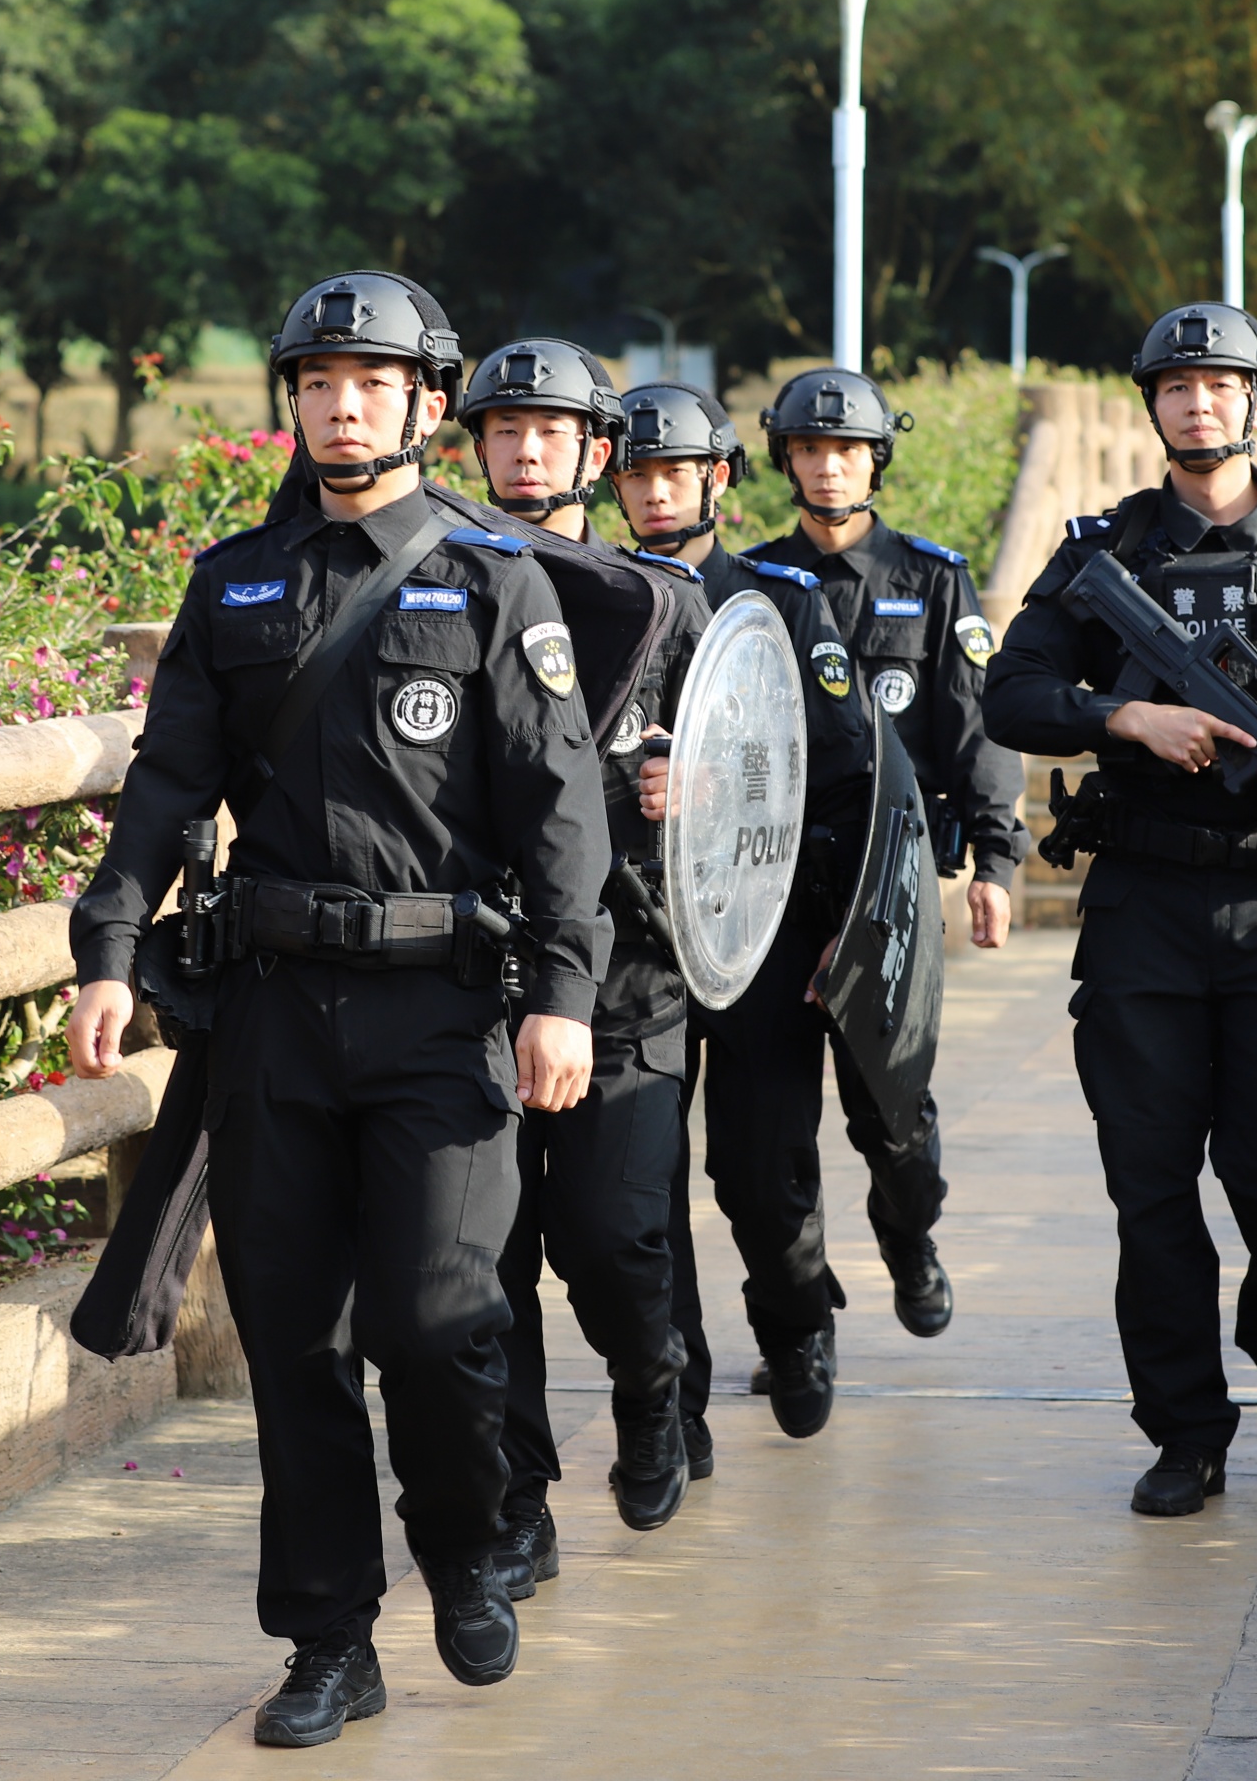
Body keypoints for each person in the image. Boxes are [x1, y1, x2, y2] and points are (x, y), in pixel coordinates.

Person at [63, 273, 612, 1749]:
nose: (342, 402)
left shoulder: (501, 584)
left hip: (446, 1017)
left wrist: (563, 996)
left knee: (439, 1321)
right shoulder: (236, 583)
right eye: (317, 381)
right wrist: (109, 946)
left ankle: (467, 1536)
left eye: (373, 380)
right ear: (292, 401)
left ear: (432, 403)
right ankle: (327, 1642)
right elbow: (169, 784)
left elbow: (564, 817)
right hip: (275, 1016)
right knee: (294, 1344)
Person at [981, 300, 1257, 1518]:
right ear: (1153, 407)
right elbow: (1010, 691)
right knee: (1152, 1186)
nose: (1198, 400)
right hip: (1145, 905)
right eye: (1175, 384)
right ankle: (1186, 1428)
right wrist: (1124, 715)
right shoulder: (1101, 560)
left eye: (1221, 383)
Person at [454, 340, 704, 1601]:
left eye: (553, 430)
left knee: (609, 1242)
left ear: (599, 452)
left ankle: (654, 1391)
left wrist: (686, 783)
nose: (527, 448)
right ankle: (518, 1508)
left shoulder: (667, 603)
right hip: (477, 981)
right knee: (488, 1269)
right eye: (504, 429)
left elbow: (761, 782)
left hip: (629, 977)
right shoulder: (432, 583)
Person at [741, 367, 1027, 1396]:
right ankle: (800, 1323)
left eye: (847, 449)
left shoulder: (933, 579)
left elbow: (979, 727)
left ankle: (908, 1237)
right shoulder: (746, 581)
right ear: (784, 460)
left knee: (895, 1125)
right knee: (766, 1146)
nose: (827, 465)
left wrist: (995, 859)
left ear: (875, 460)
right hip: (769, 897)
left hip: (889, 894)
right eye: (809, 449)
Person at [607, 379, 875, 1455]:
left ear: (718, 476)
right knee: (642, 1186)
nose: (657, 490)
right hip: (632, 940)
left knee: (761, 1176)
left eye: (677, 469)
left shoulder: (780, 602)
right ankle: (676, 1400)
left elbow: (845, 766)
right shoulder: (588, 598)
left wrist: (712, 784)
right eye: (637, 471)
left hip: (762, 933)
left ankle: (799, 1323)